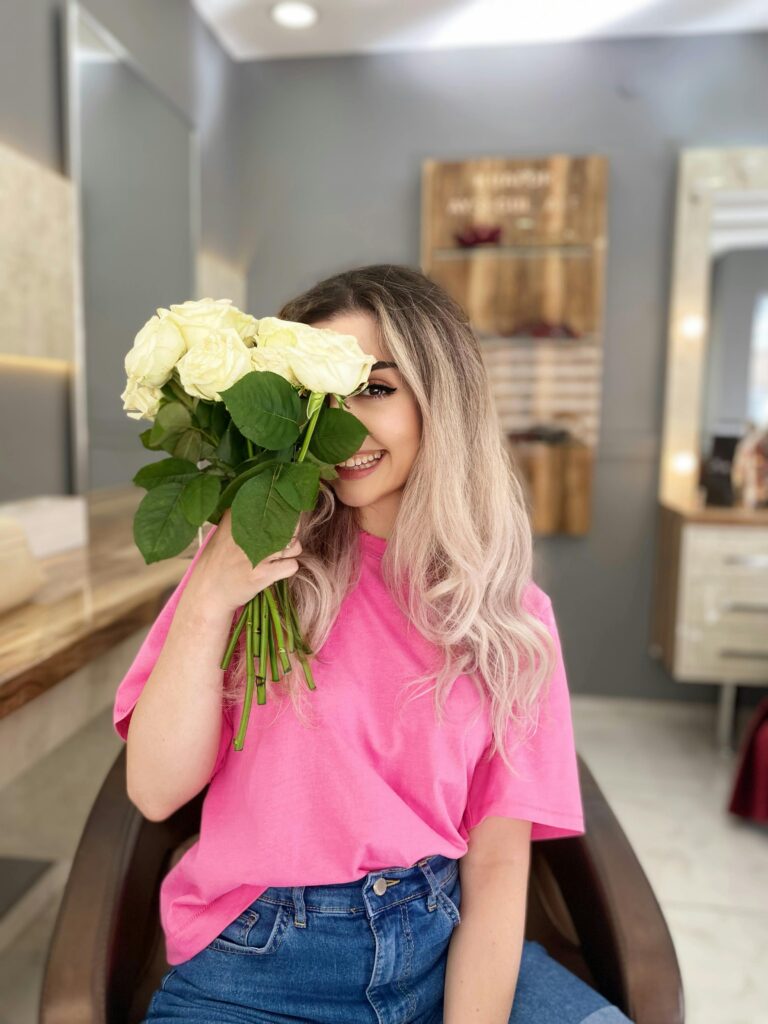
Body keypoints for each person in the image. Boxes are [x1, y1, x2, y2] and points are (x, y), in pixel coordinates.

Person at [115, 264, 634, 1023]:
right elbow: (154, 790)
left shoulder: (510, 615)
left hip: (444, 944)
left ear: (441, 401)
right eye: (318, 399)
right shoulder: (254, 569)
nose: (343, 428)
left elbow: (495, 865)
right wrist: (209, 594)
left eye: (376, 388)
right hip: (257, 970)